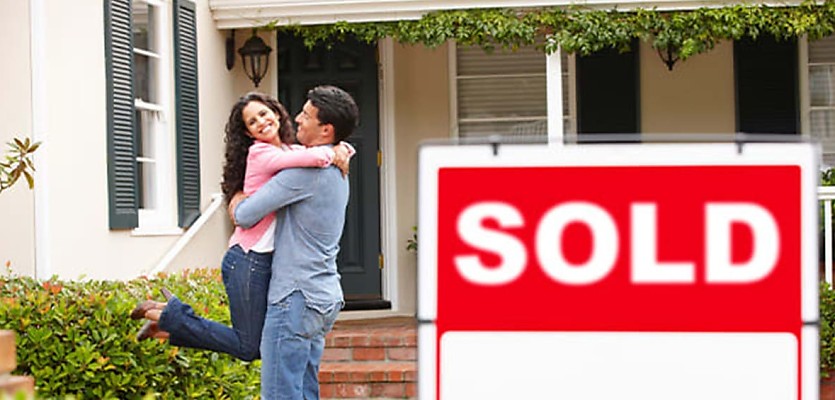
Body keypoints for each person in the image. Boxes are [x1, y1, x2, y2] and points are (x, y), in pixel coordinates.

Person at [129, 92, 353, 363]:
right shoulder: (263, 153)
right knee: (250, 346)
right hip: (249, 259)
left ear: (277, 113)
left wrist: (344, 148)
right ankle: (171, 317)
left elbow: (308, 156)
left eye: (263, 113)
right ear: (248, 134)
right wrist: (335, 151)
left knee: (254, 346)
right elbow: (311, 160)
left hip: (265, 261)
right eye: (252, 121)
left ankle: (167, 325)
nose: (261, 122)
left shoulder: (292, 151)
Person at [229, 85, 358, 400]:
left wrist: (236, 198)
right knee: (304, 391)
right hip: (324, 297)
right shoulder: (337, 168)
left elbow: (245, 215)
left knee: (279, 394)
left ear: (325, 129)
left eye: (306, 115)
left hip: (295, 298)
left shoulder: (303, 174)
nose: (297, 119)